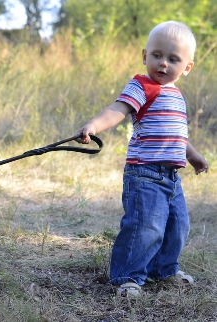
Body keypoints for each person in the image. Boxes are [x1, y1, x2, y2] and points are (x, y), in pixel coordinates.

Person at [76, 21, 209, 297]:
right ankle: (127, 276)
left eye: (173, 59)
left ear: (187, 67)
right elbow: (117, 109)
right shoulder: (143, 85)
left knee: (177, 226)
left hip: (172, 177)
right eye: (157, 55)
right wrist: (94, 125)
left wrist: (193, 155)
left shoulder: (176, 95)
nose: (163, 63)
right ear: (145, 55)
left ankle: (163, 271)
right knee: (145, 226)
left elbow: (177, 135)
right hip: (145, 174)